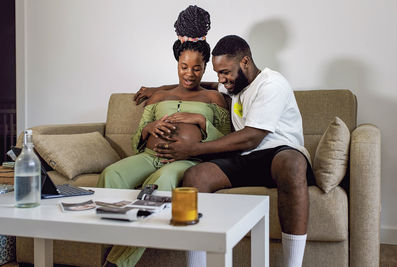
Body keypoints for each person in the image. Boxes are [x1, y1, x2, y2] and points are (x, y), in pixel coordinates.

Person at [148, 35, 315, 267]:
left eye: (225, 72)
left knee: (292, 163)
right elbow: (204, 85)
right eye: (218, 73)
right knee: (196, 176)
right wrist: (159, 90)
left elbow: (251, 138)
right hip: (245, 158)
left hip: (278, 153)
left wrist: (194, 149)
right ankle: (196, 264)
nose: (221, 79)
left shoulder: (271, 84)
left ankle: (293, 265)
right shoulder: (234, 85)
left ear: (245, 62)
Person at [99, 6, 230, 267]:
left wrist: (201, 120)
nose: (190, 74)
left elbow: (226, 140)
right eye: (184, 67)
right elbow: (139, 134)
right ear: (177, 65)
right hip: (149, 156)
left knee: (162, 182)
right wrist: (149, 129)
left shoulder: (214, 98)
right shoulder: (158, 97)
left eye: (197, 68)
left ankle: (116, 263)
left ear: (205, 68)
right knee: (111, 174)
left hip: (187, 161)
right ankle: (109, 240)